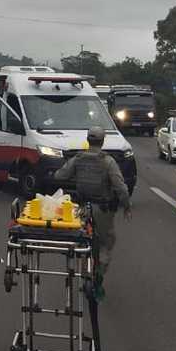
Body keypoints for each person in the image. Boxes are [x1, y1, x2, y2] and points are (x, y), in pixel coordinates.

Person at [53, 125, 131, 299]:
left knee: (84, 243)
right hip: (103, 210)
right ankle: (98, 278)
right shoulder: (108, 161)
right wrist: (126, 206)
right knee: (106, 243)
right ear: (102, 141)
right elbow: (121, 188)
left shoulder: (78, 158)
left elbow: (60, 176)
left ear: (88, 140)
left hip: (82, 208)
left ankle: (85, 274)